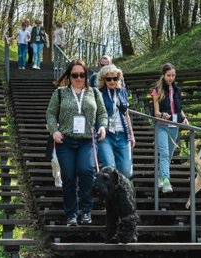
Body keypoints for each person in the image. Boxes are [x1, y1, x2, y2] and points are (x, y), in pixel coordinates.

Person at [46, 59, 108, 226]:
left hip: (87, 140)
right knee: (69, 177)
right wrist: (54, 131)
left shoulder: (94, 92)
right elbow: (50, 114)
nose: (79, 78)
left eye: (82, 74)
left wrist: (102, 126)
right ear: (69, 75)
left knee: (86, 171)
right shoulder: (60, 93)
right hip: (65, 141)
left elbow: (102, 113)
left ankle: (86, 211)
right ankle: (71, 214)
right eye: (75, 75)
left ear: (86, 75)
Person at [151, 63, 189, 193]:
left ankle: (161, 176)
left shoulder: (177, 90)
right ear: (163, 75)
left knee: (169, 155)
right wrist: (162, 115)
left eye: (173, 75)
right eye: (168, 75)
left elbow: (179, 109)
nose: (171, 78)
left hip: (175, 126)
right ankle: (166, 181)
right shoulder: (157, 90)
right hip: (162, 125)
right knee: (165, 153)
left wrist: (184, 118)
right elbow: (156, 112)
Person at [97, 65, 135, 178]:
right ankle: (109, 195)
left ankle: (120, 193)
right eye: (108, 79)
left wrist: (131, 135)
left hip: (122, 135)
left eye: (115, 78)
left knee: (127, 171)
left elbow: (126, 114)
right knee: (109, 168)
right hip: (106, 135)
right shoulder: (98, 93)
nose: (112, 81)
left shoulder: (122, 91)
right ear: (103, 79)